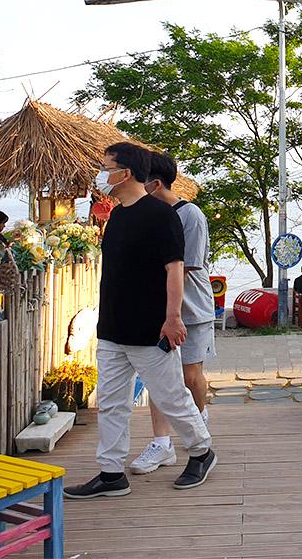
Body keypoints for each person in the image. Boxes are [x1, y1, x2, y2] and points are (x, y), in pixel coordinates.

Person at [64, 142, 215, 500]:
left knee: (171, 396)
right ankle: (111, 472)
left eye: (106, 166)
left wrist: (173, 318)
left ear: (125, 173)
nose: (101, 174)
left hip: (150, 328)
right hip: (113, 328)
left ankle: (201, 451)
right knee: (112, 402)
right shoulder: (117, 215)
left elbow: (175, 270)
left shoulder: (162, 216)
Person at [129, 150, 214, 475]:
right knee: (158, 378)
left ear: (155, 183)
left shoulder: (189, 215)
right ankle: (161, 444)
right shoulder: (145, 213)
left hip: (191, 309)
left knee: (191, 376)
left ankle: (199, 423)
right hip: (157, 310)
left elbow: (186, 267)